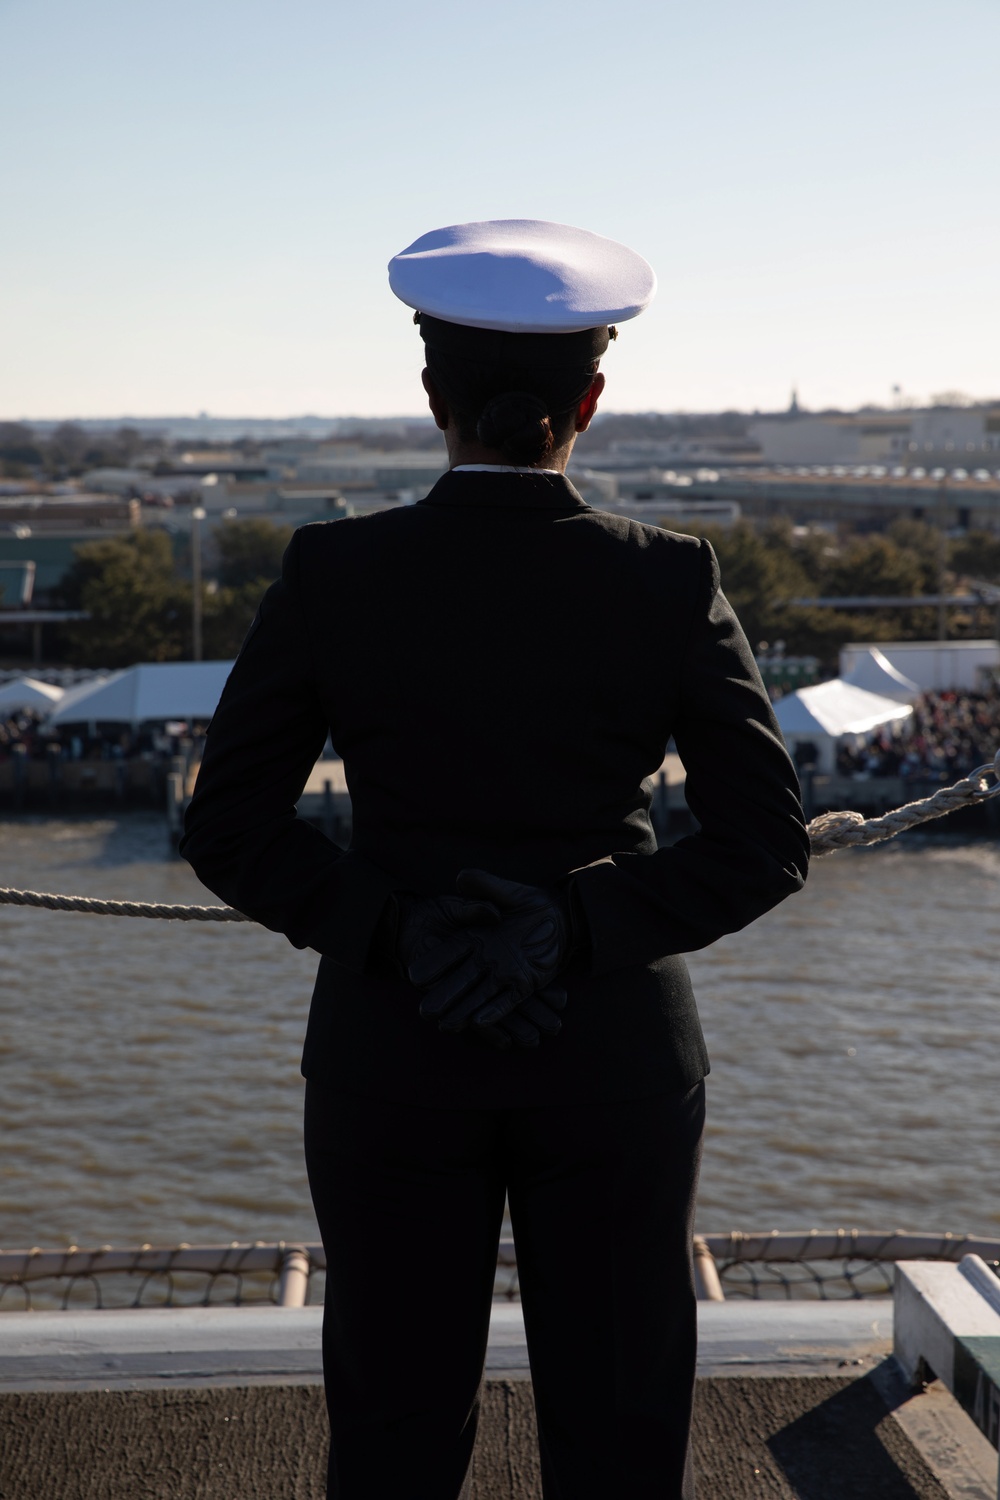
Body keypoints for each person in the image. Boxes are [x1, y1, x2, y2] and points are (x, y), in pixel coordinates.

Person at [181, 218, 810, 1500]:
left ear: (431, 401)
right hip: (614, 1051)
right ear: (591, 401)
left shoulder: (333, 570)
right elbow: (760, 842)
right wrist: (572, 930)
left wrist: (399, 932)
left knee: (395, 1427)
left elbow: (230, 825)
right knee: (623, 1426)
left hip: (392, 1046)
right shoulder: (668, 578)